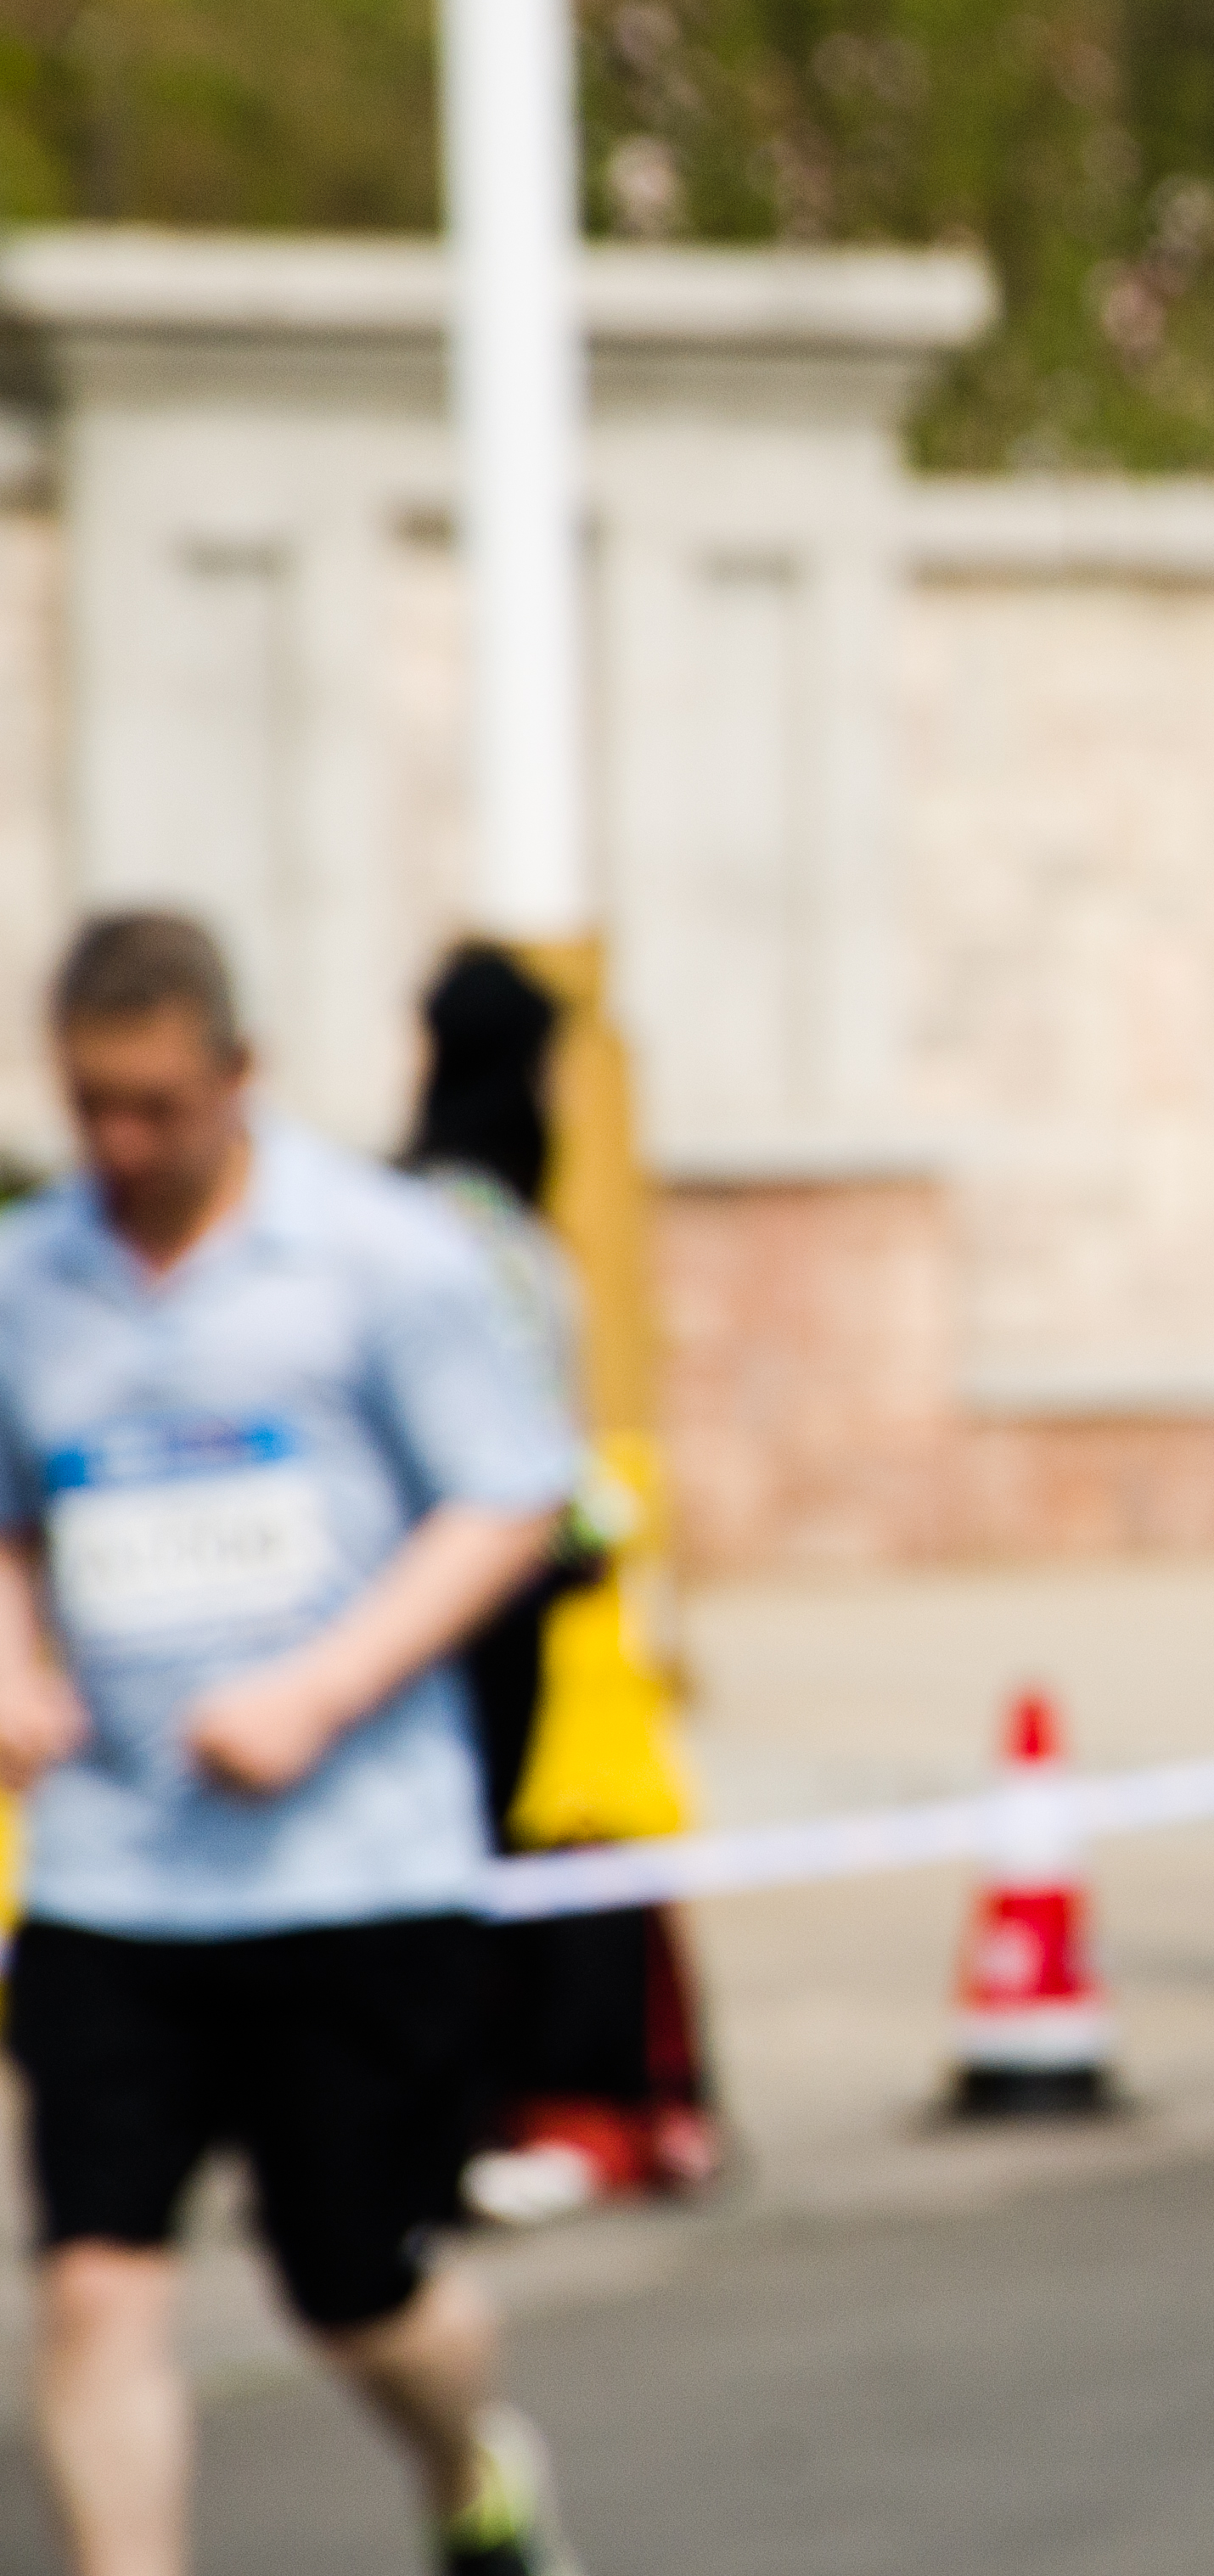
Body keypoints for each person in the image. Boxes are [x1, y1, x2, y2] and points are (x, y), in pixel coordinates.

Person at [0, 913, 586, 2575]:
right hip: (117, 1874)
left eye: (158, 1110)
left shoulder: (385, 1253)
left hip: (352, 1863)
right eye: (91, 1107)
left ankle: (475, 2468)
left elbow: (510, 1498)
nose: (122, 1146)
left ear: (238, 1079)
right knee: (97, 2276)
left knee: (353, 2283)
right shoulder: (28, 1276)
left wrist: (319, 1692)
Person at [404, 944, 721, 2225]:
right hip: (485, 1600)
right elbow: (531, 1449)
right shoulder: (484, 1237)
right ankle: (458, 2119)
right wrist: (597, 1517)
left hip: (433, 1595)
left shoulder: (397, 1214)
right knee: (473, 1856)